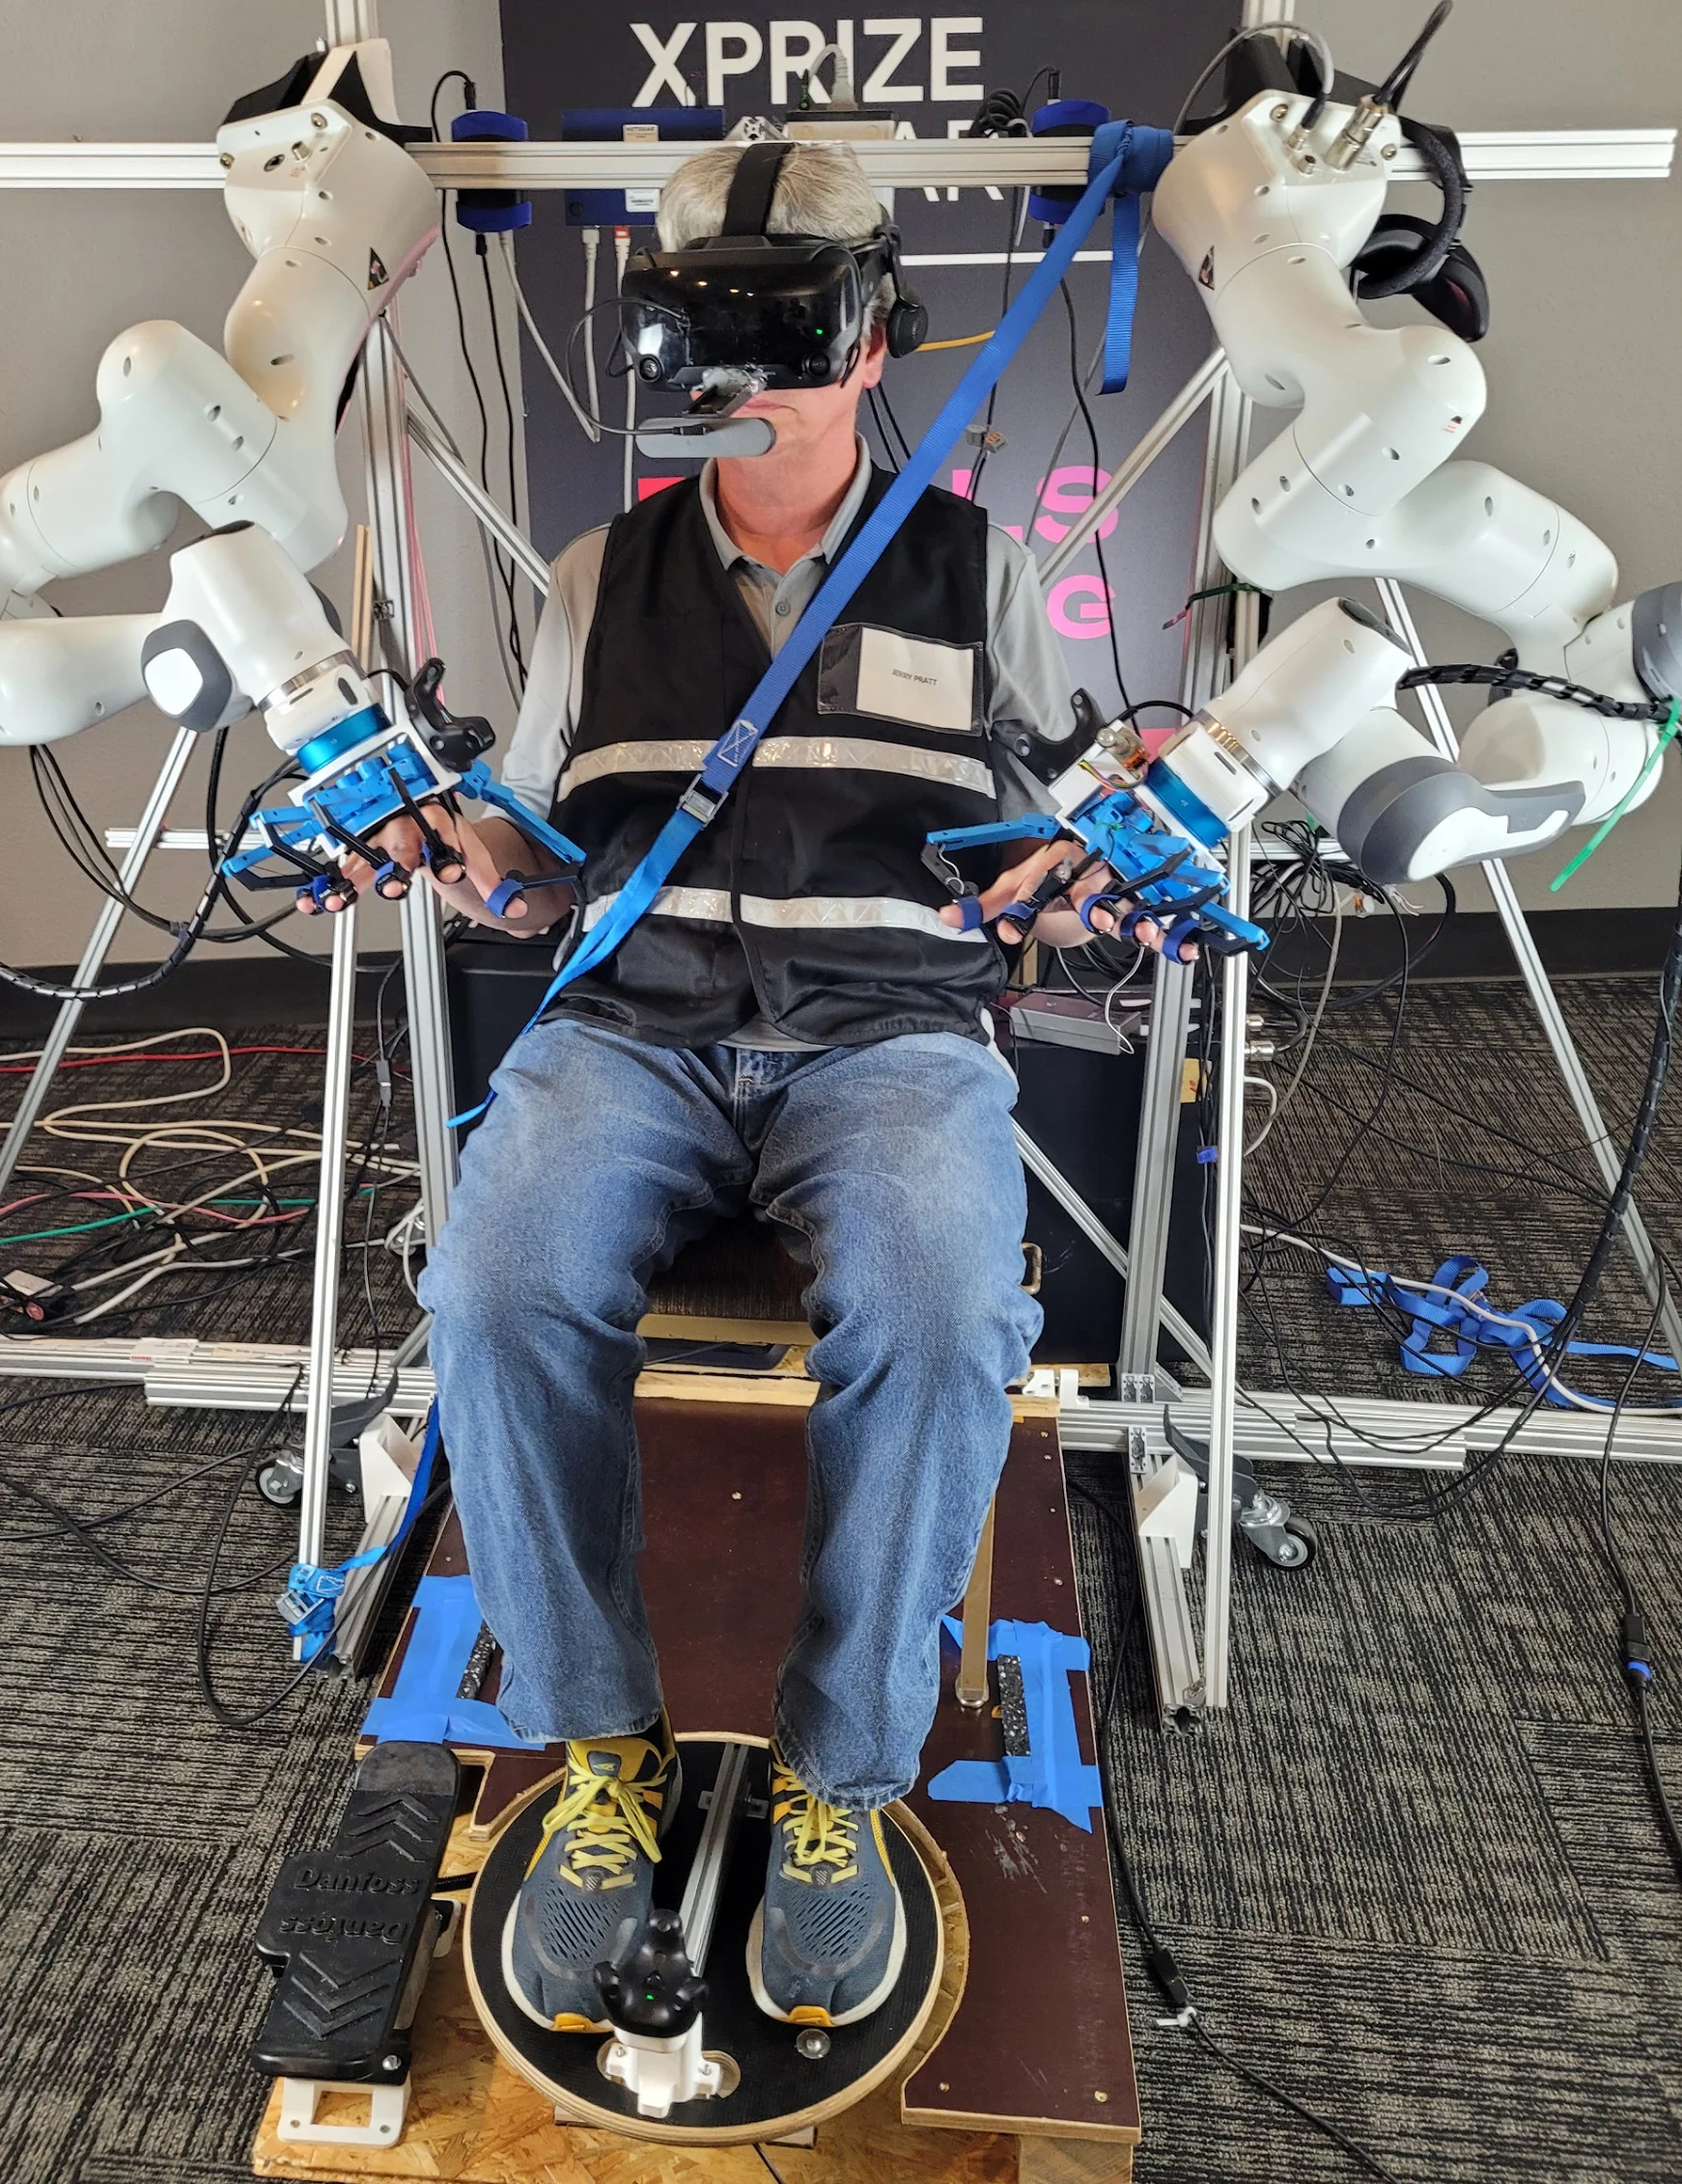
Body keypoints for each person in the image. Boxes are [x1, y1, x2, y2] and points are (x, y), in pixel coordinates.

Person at [339, 140, 1195, 2036]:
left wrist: (1097, 888)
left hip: (887, 1043)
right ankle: (597, 1746)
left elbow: (1042, 868)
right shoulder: (597, 576)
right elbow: (540, 851)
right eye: (699, 330)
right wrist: (470, 855)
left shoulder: (983, 572)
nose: (742, 376)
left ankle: (843, 1770)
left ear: (876, 339)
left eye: (785, 331)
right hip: (633, 1037)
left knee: (942, 1304)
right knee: (494, 1282)